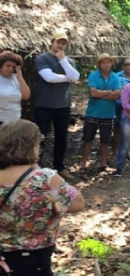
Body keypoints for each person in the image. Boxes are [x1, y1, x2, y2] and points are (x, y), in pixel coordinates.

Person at [0, 119, 84, 276]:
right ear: (32, 145)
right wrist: (36, 167)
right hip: (31, 264)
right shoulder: (44, 179)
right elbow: (77, 203)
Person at [34, 32, 80, 179]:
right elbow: (49, 78)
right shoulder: (42, 58)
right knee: (41, 137)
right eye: (58, 42)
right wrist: (69, 78)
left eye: (63, 43)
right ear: (52, 42)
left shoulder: (68, 61)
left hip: (63, 106)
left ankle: (59, 167)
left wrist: (63, 61)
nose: (60, 45)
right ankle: (36, 168)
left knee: (62, 137)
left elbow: (76, 77)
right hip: (44, 105)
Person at [81, 53, 121, 173]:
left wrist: (101, 93)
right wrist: (109, 92)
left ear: (111, 63)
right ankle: (83, 163)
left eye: (108, 62)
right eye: (103, 62)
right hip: (92, 113)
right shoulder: (93, 75)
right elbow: (92, 93)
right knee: (88, 139)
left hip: (108, 114)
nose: (106, 64)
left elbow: (117, 94)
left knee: (105, 140)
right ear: (99, 64)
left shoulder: (115, 77)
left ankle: (103, 163)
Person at [112, 58, 130, 161]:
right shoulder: (118, 76)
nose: (128, 67)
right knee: (117, 131)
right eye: (126, 64)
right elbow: (117, 91)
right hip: (119, 107)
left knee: (129, 132)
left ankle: (126, 152)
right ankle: (114, 153)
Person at [0, 51, 30, 124]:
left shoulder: (16, 79)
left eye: (13, 67)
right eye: (8, 66)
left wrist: (20, 77)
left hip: (15, 120)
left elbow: (26, 96)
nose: (10, 69)